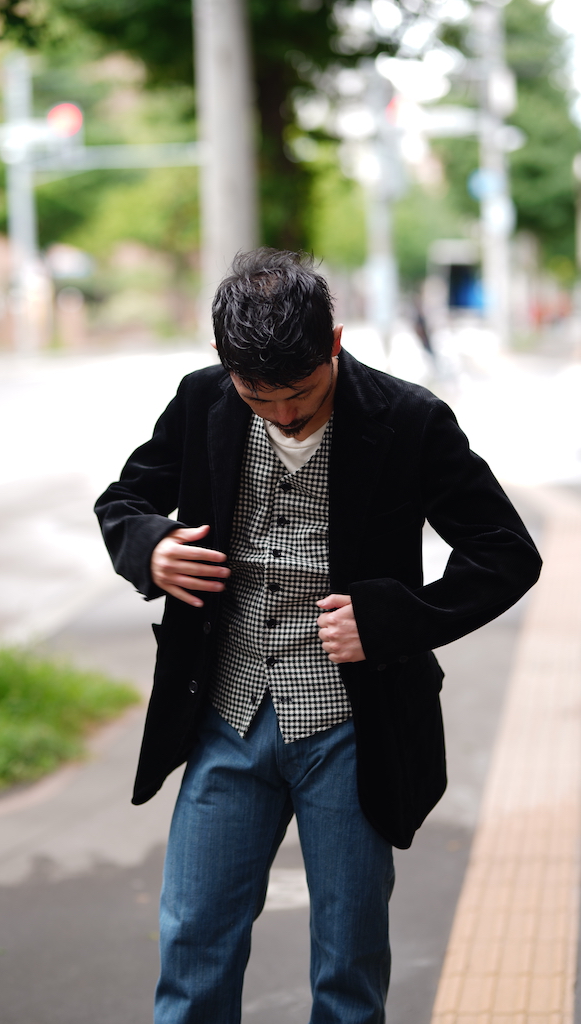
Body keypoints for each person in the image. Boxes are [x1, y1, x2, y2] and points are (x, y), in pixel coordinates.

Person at [95, 249, 541, 1024]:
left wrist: (397, 619)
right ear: (222, 363)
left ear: (332, 344)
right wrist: (149, 547)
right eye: (256, 396)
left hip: (351, 727)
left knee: (347, 957)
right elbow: (124, 498)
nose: (281, 414)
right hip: (223, 718)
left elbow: (505, 554)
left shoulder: (407, 419)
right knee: (193, 939)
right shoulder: (204, 401)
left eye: (298, 394)